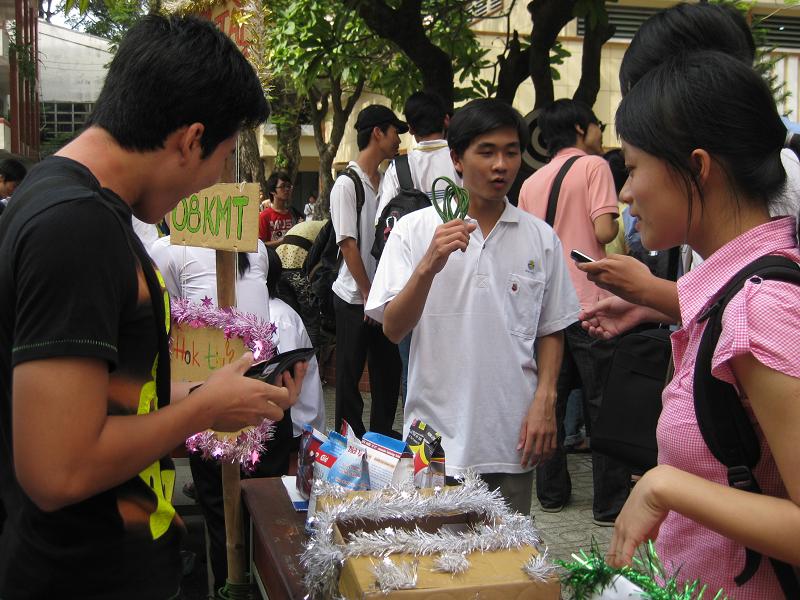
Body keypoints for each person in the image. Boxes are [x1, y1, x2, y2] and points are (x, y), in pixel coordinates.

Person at [0, 15, 306, 599]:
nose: (214, 179)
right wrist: (199, 411)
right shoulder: (75, 226)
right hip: (84, 576)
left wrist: (209, 400)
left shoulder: (68, 204)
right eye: (223, 156)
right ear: (190, 139)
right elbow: (57, 471)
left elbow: (103, 405)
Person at [602, 51, 800, 598]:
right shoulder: (729, 295)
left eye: (634, 166)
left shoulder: (759, 310)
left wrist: (668, 488)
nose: (624, 193)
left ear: (696, 167)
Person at [365, 98, 579, 514]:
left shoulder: (540, 238)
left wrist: (546, 401)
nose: (501, 164)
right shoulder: (414, 230)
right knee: (433, 560)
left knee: (507, 565)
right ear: (457, 160)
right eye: (486, 151)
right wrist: (429, 265)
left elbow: (551, 327)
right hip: (432, 441)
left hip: (511, 438)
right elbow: (393, 328)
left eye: (511, 151)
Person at [580, 2, 800, 331]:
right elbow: (728, 301)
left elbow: (765, 317)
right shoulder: (702, 194)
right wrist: (653, 305)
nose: (625, 193)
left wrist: (650, 291)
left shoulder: (783, 174)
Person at [517, 99, 627, 526]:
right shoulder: (595, 168)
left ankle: (551, 494)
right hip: (589, 304)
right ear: (582, 129)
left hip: (545, 309)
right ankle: (609, 504)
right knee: (601, 405)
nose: (601, 133)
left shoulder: (531, 181)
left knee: (550, 403)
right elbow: (604, 230)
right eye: (597, 125)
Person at [375, 90, 460, 403]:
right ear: (447, 120)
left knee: (413, 366)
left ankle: (419, 443)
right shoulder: (462, 162)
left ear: (410, 128)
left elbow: (382, 226)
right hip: (458, 278)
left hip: (409, 283)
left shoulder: (399, 169)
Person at [331, 104, 406, 439]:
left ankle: (381, 443)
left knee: (387, 376)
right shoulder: (347, 184)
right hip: (353, 298)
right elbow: (347, 245)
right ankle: (348, 447)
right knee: (348, 378)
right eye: (395, 132)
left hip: (383, 297)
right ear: (378, 133)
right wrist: (367, 294)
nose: (398, 140)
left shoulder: (387, 182)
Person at [258, 170, 296, 247]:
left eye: (288, 186)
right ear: (273, 191)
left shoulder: (294, 214)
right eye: (283, 186)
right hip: (272, 258)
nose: (287, 189)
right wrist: (280, 242)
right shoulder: (264, 216)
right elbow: (260, 246)